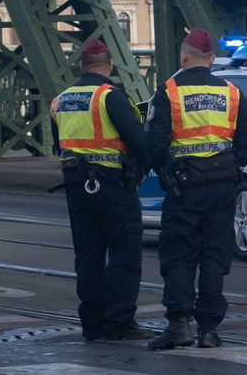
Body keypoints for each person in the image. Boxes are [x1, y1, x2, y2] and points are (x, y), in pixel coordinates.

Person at [145, 28, 247, 350]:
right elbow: (245, 139)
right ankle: (209, 330)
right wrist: (230, 171)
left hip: (184, 188)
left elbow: (154, 143)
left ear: (183, 56)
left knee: (180, 254)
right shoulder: (232, 92)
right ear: (211, 60)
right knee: (214, 254)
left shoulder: (168, 92)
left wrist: (168, 174)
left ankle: (179, 325)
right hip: (222, 187)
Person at [51, 38, 154, 342]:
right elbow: (139, 141)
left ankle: (92, 323)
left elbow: (59, 145)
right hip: (112, 187)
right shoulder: (111, 97)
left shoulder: (63, 100)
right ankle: (119, 322)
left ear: (81, 66)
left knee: (88, 255)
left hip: (76, 187)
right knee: (124, 253)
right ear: (109, 66)